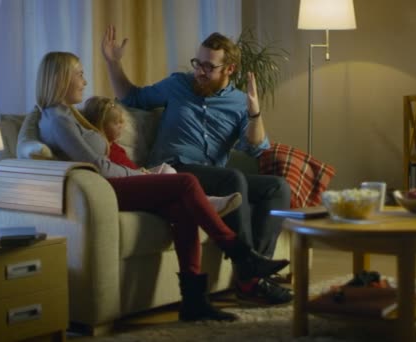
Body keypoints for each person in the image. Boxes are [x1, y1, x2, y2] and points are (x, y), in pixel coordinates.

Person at [32, 51, 290, 322]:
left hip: (113, 184)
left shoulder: (65, 114)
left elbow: (256, 146)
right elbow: (99, 166)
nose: (85, 81)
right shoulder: (57, 119)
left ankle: (193, 302)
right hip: (105, 190)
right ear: (60, 78)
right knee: (186, 181)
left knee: (183, 210)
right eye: (79, 74)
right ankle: (240, 252)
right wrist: (141, 175)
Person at [101, 25, 292, 305]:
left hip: (210, 175)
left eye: (209, 67)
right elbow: (133, 97)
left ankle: (252, 274)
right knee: (233, 180)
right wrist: (113, 62)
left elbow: (254, 148)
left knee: (277, 187)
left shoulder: (239, 102)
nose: (200, 71)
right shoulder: (177, 85)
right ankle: (251, 280)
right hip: (173, 171)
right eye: (198, 63)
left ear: (230, 69)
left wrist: (254, 113)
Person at [81, 95, 241, 217]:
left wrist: (141, 171)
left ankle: (205, 201)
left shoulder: (115, 146)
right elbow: (114, 171)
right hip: (131, 185)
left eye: (122, 121)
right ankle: (207, 202)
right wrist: (139, 174)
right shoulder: (102, 147)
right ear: (101, 124)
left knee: (167, 169)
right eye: (117, 123)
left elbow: (127, 167)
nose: (122, 126)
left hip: (138, 177)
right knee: (182, 180)